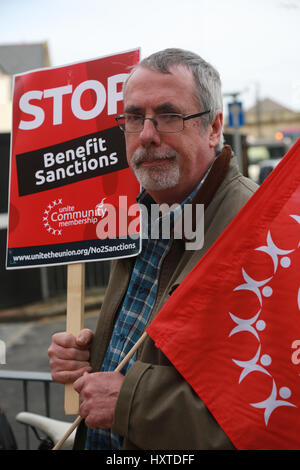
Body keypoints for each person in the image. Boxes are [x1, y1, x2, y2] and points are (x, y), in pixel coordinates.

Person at [48, 48, 258, 450]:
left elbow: (267, 406)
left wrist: (129, 403)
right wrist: (89, 359)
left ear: (213, 128)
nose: (146, 133)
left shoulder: (255, 231)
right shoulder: (137, 215)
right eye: (133, 117)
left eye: (168, 115)